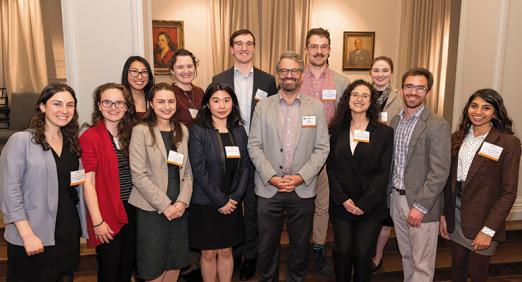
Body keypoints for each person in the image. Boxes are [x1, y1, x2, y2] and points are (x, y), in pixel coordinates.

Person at [248, 51, 330, 282]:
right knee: (266, 246)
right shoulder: (263, 107)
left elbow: (322, 148)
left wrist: (301, 177)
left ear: (301, 75)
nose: (289, 75)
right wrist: (271, 176)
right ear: (278, 75)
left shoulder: (316, 108)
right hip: (268, 188)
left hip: (302, 189)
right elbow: (254, 146)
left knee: (300, 246)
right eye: (284, 71)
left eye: (294, 71)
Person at [0, 82, 83, 281]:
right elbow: (9, 192)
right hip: (33, 232)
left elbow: (75, 186)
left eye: (70, 105)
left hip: (66, 230)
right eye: (57, 104)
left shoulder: (72, 142)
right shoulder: (21, 141)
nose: (64, 110)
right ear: (42, 106)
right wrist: (27, 234)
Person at [212, 28, 277, 280]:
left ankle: (250, 255)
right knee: (229, 202)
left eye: (249, 43)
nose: (243, 48)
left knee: (252, 207)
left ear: (254, 48)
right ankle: (233, 251)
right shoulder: (219, 77)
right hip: (227, 148)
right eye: (238, 44)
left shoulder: (267, 80)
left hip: (258, 150)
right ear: (231, 49)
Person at [440, 89, 521, 282]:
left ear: (495, 112)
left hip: (485, 217)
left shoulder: (508, 143)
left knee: (477, 274)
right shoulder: (458, 137)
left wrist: (488, 230)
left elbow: (508, 192)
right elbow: (448, 180)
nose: (478, 112)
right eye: (474, 106)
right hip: (456, 215)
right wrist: (444, 214)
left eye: (486, 108)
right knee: (457, 270)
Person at [327, 79, 393, 281]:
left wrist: (364, 203)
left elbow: (383, 172)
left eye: (365, 95)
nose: (359, 99)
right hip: (342, 203)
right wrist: (343, 199)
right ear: (347, 99)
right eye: (355, 94)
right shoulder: (335, 130)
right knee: (342, 252)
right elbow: (331, 167)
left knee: (364, 255)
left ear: (371, 101)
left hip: (370, 206)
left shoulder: (384, 132)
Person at [389, 67, 451, 282]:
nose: (413, 92)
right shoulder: (395, 122)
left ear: (428, 92)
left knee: (422, 264)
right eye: (409, 86)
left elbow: (440, 171)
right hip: (396, 199)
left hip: (420, 204)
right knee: (406, 256)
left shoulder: (437, 125)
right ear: (401, 89)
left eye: (420, 88)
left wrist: (421, 206)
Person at [188, 82, 253, 282]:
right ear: (207, 104)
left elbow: (245, 166)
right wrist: (221, 201)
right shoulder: (198, 130)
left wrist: (234, 198)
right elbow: (199, 171)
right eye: (216, 100)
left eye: (226, 100)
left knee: (226, 251)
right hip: (206, 202)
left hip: (232, 202)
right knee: (208, 253)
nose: (222, 105)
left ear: (233, 103)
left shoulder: (239, 130)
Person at [129, 82, 193, 281]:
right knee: (153, 266)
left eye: (171, 101)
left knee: (174, 262)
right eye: (161, 102)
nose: (167, 106)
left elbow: (188, 172)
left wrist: (182, 201)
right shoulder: (141, 131)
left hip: (178, 208)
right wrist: (165, 206)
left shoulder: (182, 130)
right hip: (152, 210)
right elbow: (138, 175)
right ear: (151, 104)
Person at [301, 27, 349, 276]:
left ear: (329, 49)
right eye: (314, 46)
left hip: (329, 152)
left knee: (322, 204)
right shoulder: (294, 78)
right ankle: (299, 248)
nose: (318, 51)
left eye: (323, 46)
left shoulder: (342, 82)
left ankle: (318, 248)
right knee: (300, 202)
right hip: (299, 151)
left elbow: (347, 119)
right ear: (307, 49)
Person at [80, 83, 138, 281]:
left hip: (133, 209)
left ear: (126, 106)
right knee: (109, 270)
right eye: (107, 102)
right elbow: (88, 182)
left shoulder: (131, 134)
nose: (113, 107)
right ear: (99, 105)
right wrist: (98, 221)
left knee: (126, 268)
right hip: (107, 212)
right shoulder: (90, 136)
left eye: (119, 102)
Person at [368, 56, 403, 271]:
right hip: (366, 159)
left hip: (391, 159)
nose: (380, 74)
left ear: (391, 73)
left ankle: (377, 255)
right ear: (370, 72)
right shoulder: (362, 93)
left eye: (385, 70)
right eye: (376, 70)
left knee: (385, 213)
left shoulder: (400, 98)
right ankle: (364, 250)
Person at [170, 48, 204, 127]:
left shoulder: (200, 92)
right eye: (180, 67)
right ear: (172, 70)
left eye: (189, 66)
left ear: (195, 68)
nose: (186, 71)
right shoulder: (168, 93)